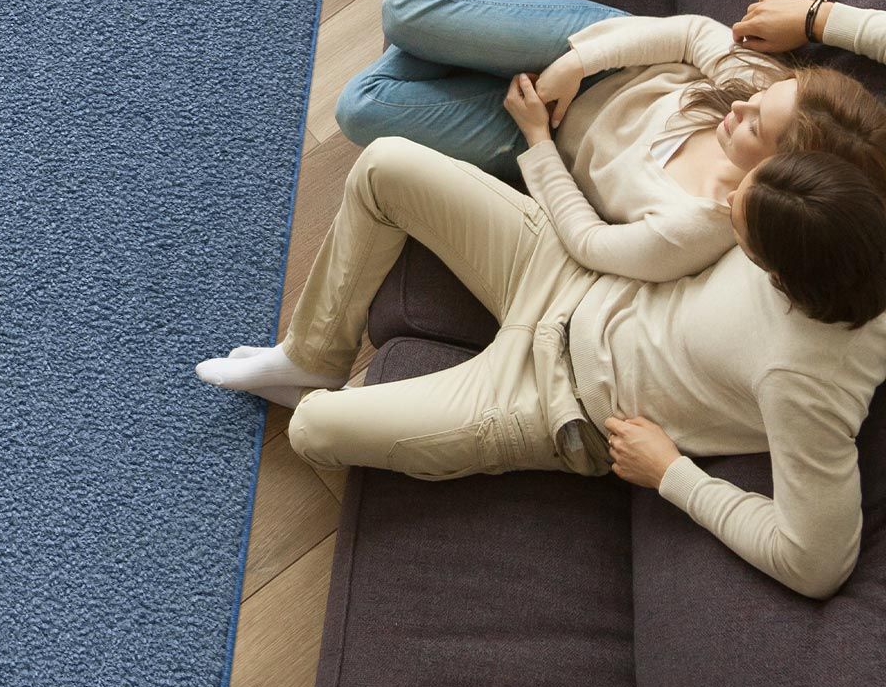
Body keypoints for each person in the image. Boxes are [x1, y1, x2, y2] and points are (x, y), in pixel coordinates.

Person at [196, 137, 886, 597]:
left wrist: (674, 474)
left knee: (314, 429)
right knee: (383, 165)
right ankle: (311, 356)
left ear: (777, 274)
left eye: (738, 219)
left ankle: (312, 393)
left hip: (555, 402)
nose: (727, 198)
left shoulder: (806, 384)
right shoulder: (839, 230)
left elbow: (816, 562)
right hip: (569, 274)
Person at [333, 0, 886, 283]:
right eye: (759, 101)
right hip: (598, 54)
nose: (741, 105)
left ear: (782, 178)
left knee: (358, 109)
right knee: (404, 10)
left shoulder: (690, 229)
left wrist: (537, 142)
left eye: (754, 126)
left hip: (539, 134)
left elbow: (592, 245)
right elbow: (692, 33)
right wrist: (576, 63)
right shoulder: (769, 90)